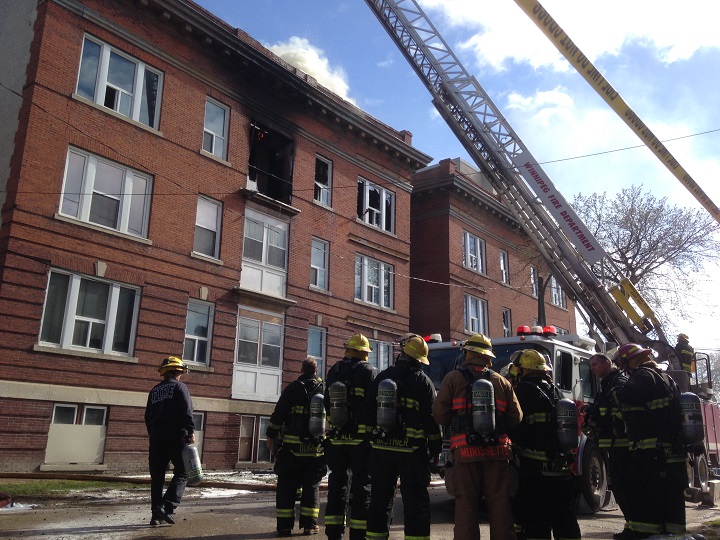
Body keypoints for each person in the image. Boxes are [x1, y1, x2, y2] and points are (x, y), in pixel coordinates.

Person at [432, 333, 523, 540]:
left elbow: (439, 414)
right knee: (500, 504)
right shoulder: (501, 381)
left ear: (467, 353)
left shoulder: (453, 379)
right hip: (498, 453)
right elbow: (515, 417)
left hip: (465, 452)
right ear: (488, 357)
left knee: (465, 505)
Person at [366, 333, 442, 540]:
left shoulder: (383, 377)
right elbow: (431, 420)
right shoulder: (424, 382)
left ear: (402, 354)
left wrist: (371, 440)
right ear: (419, 360)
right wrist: (435, 448)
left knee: (380, 498)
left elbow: (369, 410)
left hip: (382, 449)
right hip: (412, 452)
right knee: (415, 500)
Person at [612, 343, 687, 538]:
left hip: (650, 451)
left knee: (645, 495)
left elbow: (625, 396)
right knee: (671, 499)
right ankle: (673, 534)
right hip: (671, 451)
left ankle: (643, 534)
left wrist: (614, 390)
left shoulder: (642, 376)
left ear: (631, 361)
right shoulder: (667, 379)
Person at [510, 349, 581, 540]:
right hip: (561, 470)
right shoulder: (556, 391)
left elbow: (514, 427)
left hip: (534, 472)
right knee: (565, 519)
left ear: (523, 370)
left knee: (536, 522)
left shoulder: (521, 392)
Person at [323, 333, 377, 540]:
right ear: (364, 352)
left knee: (337, 484)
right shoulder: (369, 372)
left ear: (347, 350)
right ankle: (358, 533)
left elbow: (327, 402)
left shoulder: (334, 371)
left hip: (337, 439)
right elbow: (372, 406)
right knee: (362, 485)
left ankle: (333, 532)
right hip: (360, 440)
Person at [266, 357, 327, 537]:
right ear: (316, 371)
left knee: (286, 487)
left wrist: (271, 435)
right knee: (311, 487)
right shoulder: (323, 389)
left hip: (292, 450)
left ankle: (284, 527)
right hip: (315, 451)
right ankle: (310, 526)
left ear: (302, 370)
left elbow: (279, 415)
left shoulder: (292, 388)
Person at [583, 353, 631, 539]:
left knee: (625, 486)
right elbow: (605, 407)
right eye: (591, 366)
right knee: (619, 486)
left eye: (595, 365)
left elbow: (620, 409)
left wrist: (604, 421)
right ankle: (632, 525)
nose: (593, 369)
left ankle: (634, 526)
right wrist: (592, 412)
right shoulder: (607, 383)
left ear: (607, 363)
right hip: (614, 444)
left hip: (622, 444)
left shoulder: (618, 381)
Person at [145, 356, 195, 527]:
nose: (181, 375)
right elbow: (187, 411)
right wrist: (189, 432)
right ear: (175, 372)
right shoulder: (180, 387)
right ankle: (167, 506)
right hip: (176, 437)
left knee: (157, 478)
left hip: (156, 438)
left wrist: (153, 434)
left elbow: (147, 416)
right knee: (183, 472)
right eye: (180, 372)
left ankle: (155, 514)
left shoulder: (154, 391)